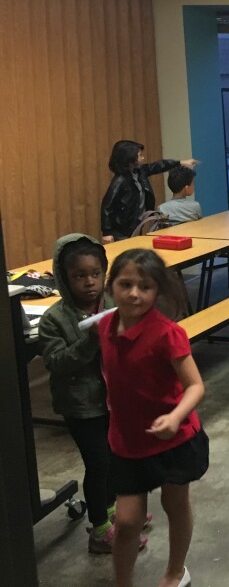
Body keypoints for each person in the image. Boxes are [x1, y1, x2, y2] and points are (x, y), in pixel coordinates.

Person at [98, 249, 207, 587]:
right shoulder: (104, 326)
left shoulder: (167, 333)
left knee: (175, 503)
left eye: (144, 286)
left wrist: (174, 417)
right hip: (128, 441)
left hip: (173, 439)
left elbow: (195, 386)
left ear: (157, 291)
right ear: (111, 286)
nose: (133, 293)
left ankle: (176, 571)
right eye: (125, 284)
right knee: (128, 521)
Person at [37, 234, 140, 554]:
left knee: (115, 459)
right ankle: (99, 530)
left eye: (96, 274)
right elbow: (56, 363)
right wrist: (91, 339)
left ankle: (110, 511)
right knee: (98, 464)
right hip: (82, 406)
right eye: (79, 276)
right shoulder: (54, 319)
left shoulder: (110, 304)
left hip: (114, 399)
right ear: (64, 278)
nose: (89, 282)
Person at [101, 139, 199, 243]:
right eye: (139, 156)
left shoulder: (140, 172)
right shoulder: (119, 181)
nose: (142, 158)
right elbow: (106, 206)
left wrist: (180, 162)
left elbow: (158, 166)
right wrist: (107, 232)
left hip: (135, 224)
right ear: (129, 159)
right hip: (122, 229)